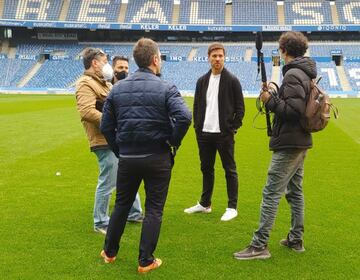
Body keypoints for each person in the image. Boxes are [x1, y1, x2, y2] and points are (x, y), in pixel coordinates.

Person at [99, 38, 192, 273]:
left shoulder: (117, 89)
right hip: (157, 157)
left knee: (121, 204)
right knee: (154, 209)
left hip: (128, 158)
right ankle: (145, 260)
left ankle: (109, 252)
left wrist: (119, 149)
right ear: (155, 59)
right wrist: (172, 141)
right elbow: (184, 117)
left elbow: (106, 127)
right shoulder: (167, 87)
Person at [234, 31, 316, 260]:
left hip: (290, 142)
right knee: (295, 191)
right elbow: (294, 104)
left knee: (271, 192)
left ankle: (259, 245)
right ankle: (295, 239)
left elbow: (293, 111)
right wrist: (275, 94)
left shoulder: (293, 75)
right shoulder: (304, 73)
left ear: (283, 50)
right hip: (299, 140)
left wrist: (269, 100)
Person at [75, 48, 141, 236]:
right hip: (102, 139)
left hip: (115, 137)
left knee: (128, 175)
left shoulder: (104, 84)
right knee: (108, 180)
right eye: (104, 61)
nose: (107, 65)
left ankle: (134, 213)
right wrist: (112, 121)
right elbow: (86, 111)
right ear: (95, 63)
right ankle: (101, 221)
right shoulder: (85, 84)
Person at [184, 42, 245, 222]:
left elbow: (240, 109)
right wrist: (197, 127)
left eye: (220, 56)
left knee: (229, 169)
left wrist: (232, 127)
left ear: (224, 58)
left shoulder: (232, 80)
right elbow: (196, 106)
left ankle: (232, 207)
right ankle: (205, 204)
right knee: (206, 169)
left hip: (223, 134)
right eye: (214, 56)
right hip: (204, 134)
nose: (217, 59)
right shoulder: (201, 81)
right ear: (209, 58)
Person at [111, 55, 144, 223]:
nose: (123, 71)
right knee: (113, 179)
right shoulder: (108, 88)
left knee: (127, 177)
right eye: (120, 68)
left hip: (127, 141)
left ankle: (134, 212)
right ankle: (131, 212)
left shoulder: (130, 87)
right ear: (113, 69)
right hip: (112, 141)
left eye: (125, 68)